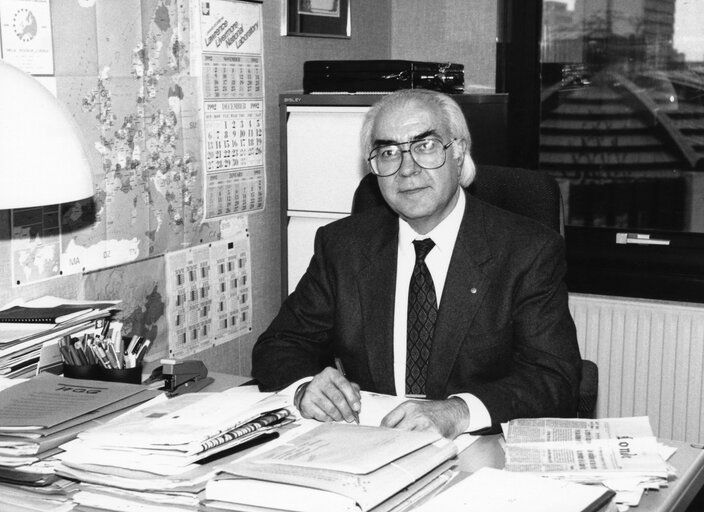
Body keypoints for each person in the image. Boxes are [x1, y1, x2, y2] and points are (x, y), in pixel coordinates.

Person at [252, 88, 581, 438]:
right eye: (389, 152)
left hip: (477, 451)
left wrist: (458, 412)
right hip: (371, 445)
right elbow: (279, 345)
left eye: (425, 146)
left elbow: (554, 379)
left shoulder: (527, 251)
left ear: (458, 152)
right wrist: (306, 388)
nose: (407, 169)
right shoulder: (343, 246)